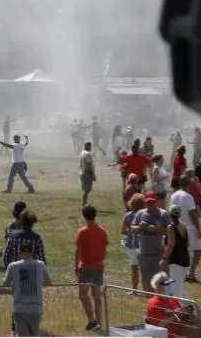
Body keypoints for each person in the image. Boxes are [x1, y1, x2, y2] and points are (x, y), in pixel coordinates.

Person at [3, 238, 52, 337]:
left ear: (20, 253)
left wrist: (14, 284)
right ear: (32, 253)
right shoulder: (40, 264)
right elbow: (49, 282)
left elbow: (5, 283)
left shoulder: (13, 266)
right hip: (36, 307)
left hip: (19, 307)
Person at [74, 204, 107, 333]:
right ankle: (98, 321)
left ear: (84, 216)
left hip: (86, 267)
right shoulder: (101, 230)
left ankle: (92, 321)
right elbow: (104, 250)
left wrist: (76, 266)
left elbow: (78, 250)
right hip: (99, 266)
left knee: (83, 294)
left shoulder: (82, 231)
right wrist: (99, 261)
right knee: (96, 294)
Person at [169, 174, 201, 283]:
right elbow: (193, 213)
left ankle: (178, 273)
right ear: (188, 184)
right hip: (189, 226)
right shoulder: (188, 196)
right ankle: (191, 274)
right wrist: (198, 229)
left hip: (178, 225)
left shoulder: (174, 195)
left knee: (180, 250)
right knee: (198, 250)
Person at [132, 192, 170, 292]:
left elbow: (169, 231)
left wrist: (156, 229)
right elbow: (132, 229)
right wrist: (139, 227)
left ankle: (159, 301)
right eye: (148, 203)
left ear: (156, 201)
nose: (150, 205)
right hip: (143, 254)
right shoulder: (140, 213)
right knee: (146, 280)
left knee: (160, 281)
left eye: (152, 202)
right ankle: (152, 301)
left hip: (158, 254)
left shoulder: (163, 214)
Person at [145, 272, 198, 337]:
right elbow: (158, 325)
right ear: (158, 287)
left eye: (170, 284)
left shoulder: (171, 298)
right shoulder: (153, 304)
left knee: (197, 331)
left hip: (178, 328)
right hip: (167, 334)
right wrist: (176, 315)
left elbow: (178, 313)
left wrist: (185, 314)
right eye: (167, 284)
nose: (170, 286)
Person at [163, 205, 190, 300]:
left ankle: (182, 310)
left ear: (170, 215)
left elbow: (171, 244)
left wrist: (164, 258)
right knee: (180, 285)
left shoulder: (171, 227)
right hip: (184, 258)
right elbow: (187, 244)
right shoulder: (184, 227)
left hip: (175, 260)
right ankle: (188, 305)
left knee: (175, 288)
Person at [79, 141, 96, 207]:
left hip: (83, 172)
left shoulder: (82, 153)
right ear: (89, 147)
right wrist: (93, 174)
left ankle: (84, 204)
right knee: (87, 190)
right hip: (87, 173)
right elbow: (89, 165)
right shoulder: (87, 154)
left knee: (86, 190)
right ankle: (84, 204)